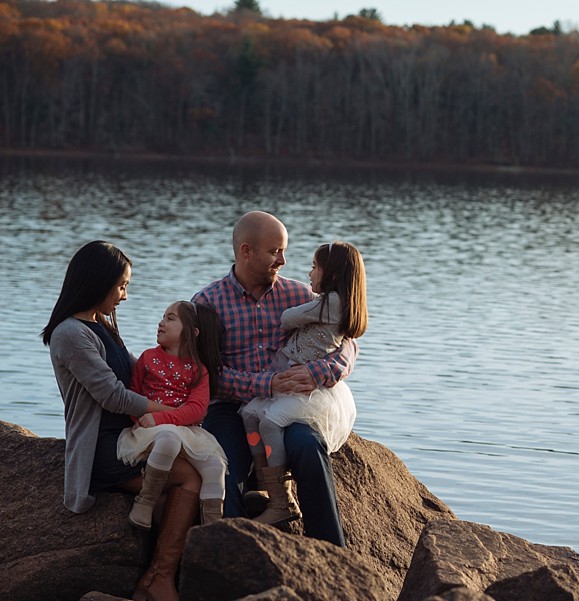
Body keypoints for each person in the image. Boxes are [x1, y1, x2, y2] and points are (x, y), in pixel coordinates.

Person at [42, 240, 200, 601]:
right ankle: (160, 578)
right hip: (103, 446)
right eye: (122, 286)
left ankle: (152, 580)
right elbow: (113, 396)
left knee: (172, 498)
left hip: (132, 437)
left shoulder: (101, 326)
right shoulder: (70, 333)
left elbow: (138, 372)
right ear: (99, 282)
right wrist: (175, 415)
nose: (125, 296)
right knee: (189, 477)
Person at [193, 211, 358, 546]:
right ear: (245, 251)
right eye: (275, 252)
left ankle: (335, 556)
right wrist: (265, 384)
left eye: (284, 251)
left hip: (287, 405)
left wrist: (317, 372)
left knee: (308, 446)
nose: (283, 260)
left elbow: (347, 340)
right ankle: (236, 560)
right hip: (231, 406)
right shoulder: (207, 303)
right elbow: (206, 375)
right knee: (223, 467)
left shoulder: (299, 296)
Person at [240, 241, 367, 525]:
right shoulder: (335, 303)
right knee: (249, 415)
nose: (309, 273)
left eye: (314, 267)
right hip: (279, 378)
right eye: (275, 251)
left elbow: (289, 319)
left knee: (274, 425)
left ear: (331, 273)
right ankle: (265, 482)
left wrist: (323, 367)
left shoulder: (321, 300)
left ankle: (282, 498)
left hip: (307, 389)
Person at [117, 301, 228, 529]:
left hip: (185, 429)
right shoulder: (147, 358)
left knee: (216, 467)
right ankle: (145, 502)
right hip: (151, 431)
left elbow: (197, 409)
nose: (161, 322)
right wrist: (143, 421)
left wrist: (162, 418)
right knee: (169, 439)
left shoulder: (198, 369)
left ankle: (212, 528)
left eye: (170, 318)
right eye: (162, 317)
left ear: (191, 333)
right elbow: (133, 397)